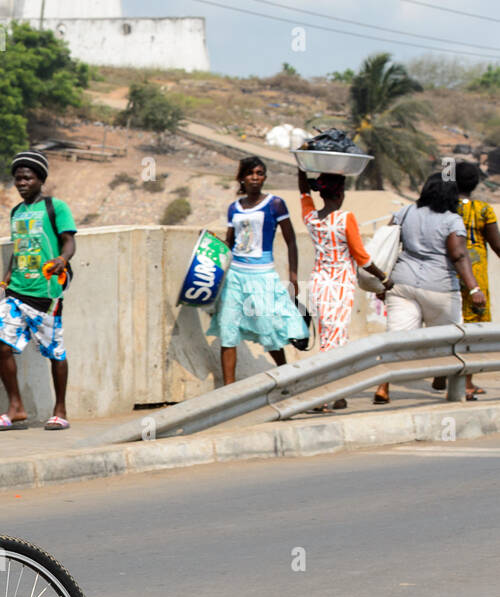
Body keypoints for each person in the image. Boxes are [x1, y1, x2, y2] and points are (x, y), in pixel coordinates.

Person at [373, 171, 486, 404]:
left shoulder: (405, 212)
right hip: (440, 288)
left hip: (402, 283)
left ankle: (383, 387)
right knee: (450, 338)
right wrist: (474, 289)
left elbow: (388, 241)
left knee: (396, 338)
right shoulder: (451, 219)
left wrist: (381, 281)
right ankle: (448, 382)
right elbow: (458, 255)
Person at [0, 150, 75, 431]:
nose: (22, 182)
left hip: (46, 293)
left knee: (55, 352)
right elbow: (18, 252)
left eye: (28, 178)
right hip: (16, 291)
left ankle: (60, 409)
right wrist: (3, 283)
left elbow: (69, 242)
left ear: (40, 179)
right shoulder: (16, 212)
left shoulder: (55, 207)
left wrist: (62, 260)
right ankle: (16, 407)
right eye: (18, 178)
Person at [296, 168, 393, 410]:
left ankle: (337, 394)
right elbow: (362, 257)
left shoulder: (311, 218)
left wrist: (301, 166)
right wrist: (384, 278)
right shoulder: (344, 218)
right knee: (334, 341)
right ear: (340, 194)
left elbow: (302, 193)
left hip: (318, 284)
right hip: (339, 286)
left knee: (329, 337)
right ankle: (322, 395)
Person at [208, 156, 306, 385]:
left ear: (264, 177)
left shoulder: (275, 204)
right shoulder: (234, 208)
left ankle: (289, 379)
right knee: (228, 329)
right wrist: (211, 243)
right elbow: (230, 244)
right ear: (242, 177)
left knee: (267, 330)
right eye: (250, 173)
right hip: (235, 275)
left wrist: (293, 275)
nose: (255, 177)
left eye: (260, 173)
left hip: (262, 274)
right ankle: (228, 392)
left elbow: (291, 241)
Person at [454, 161, 499, 398]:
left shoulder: (447, 208)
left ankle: (445, 374)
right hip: (476, 278)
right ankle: (467, 384)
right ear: (476, 183)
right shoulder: (484, 210)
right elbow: (497, 245)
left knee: (451, 325)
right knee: (473, 330)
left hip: (450, 273)